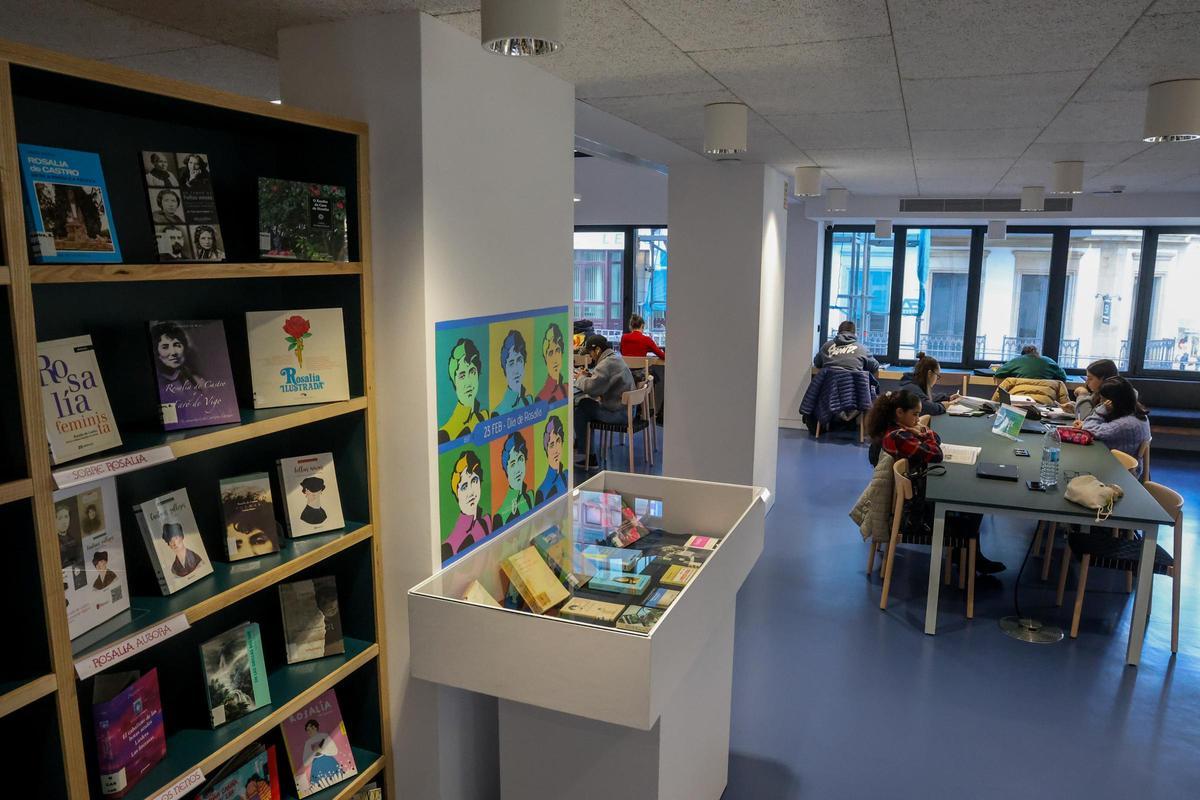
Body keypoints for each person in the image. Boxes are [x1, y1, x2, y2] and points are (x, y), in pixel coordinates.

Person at [864, 391, 1004, 574]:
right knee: (973, 506)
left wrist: (922, 431)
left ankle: (966, 554)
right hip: (915, 513)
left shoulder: (896, 430)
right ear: (899, 412)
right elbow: (936, 454)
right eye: (915, 414)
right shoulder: (899, 436)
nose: (918, 419)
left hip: (910, 500)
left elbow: (936, 440)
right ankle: (968, 556)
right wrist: (925, 431)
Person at [573, 334, 634, 469]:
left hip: (619, 414)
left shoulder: (606, 364)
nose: (591, 357)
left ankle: (589, 457)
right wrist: (589, 376)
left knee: (582, 406)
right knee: (584, 404)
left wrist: (579, 379)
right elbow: (603, 380)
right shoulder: (615, 358)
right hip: (628, 411)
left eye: (590, 353)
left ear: (598, 350)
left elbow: (592, 389)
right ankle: (584, 449)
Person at [1077, 377, 1152, 474]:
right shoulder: (1136, 414)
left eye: (1103, 399)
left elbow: (1088, 428)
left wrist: (1102, 409)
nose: (1101, 402)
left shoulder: (1126, 424)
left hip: (1123, 472)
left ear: (1113, 401)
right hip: (1124, 466)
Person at [438, 338, 490, 444]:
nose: (468, 382)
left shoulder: (484, 416)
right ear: (454, 382)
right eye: (462, 376)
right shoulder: (445, 434)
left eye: (472, 372)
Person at [442, 450, 490, 561]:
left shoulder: (486, 522)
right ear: (456, 493)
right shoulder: (448, 546)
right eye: (464, 486)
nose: (471, 492)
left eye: (474, 480)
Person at [492, 433, 534, 529]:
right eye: (512, 464)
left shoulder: (530, 496)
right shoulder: (500, 516)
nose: (518, 469)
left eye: (520, 459)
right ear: (506, 469)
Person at [150, 321, 202, 391]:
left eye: (177, 345)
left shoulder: (196, 379)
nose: (173, 352)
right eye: (165, 347)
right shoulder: (159, 384)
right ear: (156, 352)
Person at [814, 320, 879, 374]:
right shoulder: (862, 349)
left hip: (829, 385)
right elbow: (875, 367)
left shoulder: (826, 346)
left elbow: (817, 362)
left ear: (838, 332)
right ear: (854, 334)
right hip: (853, 385)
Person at [493, 330, 533, 414]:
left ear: (524, 363)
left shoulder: (529, 401)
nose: (516, 369)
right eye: (511, 363)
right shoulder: (498, 412)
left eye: (519, 360)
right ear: (505, 369)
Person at [300, 719, 345, 788]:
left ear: (314, 727)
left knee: (338, 778)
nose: (308, 732)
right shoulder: (308, 743)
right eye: (307, 731)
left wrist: (321, 750)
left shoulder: (324, 736)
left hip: (329, 761)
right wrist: (313, 753)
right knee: (319, 785)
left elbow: (335, 751)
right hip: (316, 765)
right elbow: (305, 762)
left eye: (309, 730)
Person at [535, 416, 567, 504]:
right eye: (552, 445)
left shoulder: (567, 474)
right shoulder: (541, 492)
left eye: (558, 441)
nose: (556, 449)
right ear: (546, 450)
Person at [993, 345, 1067, 382]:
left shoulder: (1017, 360)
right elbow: (1063, 377)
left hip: (1020, 397)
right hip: (1045, 399)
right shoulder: (1049, 361)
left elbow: (999, 373)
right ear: (1037, 353)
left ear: (1023, 354)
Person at [535, 323, 568, 402]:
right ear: (545, 359)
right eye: (550, 353)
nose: (555, 358)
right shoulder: (542, 397)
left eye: (557, 350)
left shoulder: (566, 387)